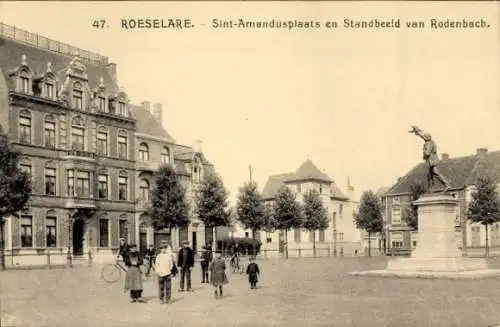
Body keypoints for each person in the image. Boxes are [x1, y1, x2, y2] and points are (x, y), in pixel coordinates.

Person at [409, 125, 450, 193]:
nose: (423, 137)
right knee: (430, 175)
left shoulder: (428, 144)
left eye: (425, 137)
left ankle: (447, 185)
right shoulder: (431, 141)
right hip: (432, 160)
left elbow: (427, 153)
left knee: (435, 172)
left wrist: (424, 152)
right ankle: (431, 190)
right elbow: (422, 136)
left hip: (431, 160)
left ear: (427, 138)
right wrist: (417, 131)